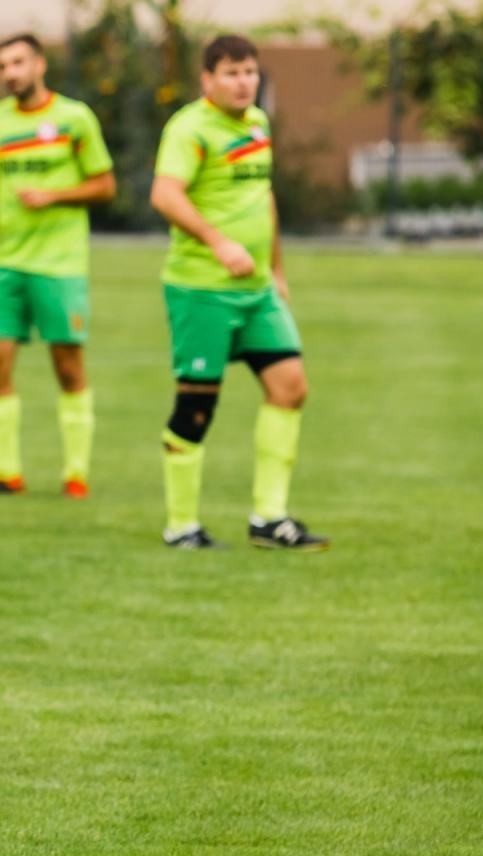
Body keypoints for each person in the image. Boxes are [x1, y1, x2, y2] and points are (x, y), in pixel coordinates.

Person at [148, 35, 329, 550]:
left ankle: (268, 520)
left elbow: (261, 197)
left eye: (249, 71)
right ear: (207, 79)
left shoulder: (256, 123)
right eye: (230, 72)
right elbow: (164, 194)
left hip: (256, 292)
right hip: (202, 289)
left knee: (290, 387)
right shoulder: (190, 127)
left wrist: (276, 267)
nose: (243, 81)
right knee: (196, 408)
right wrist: (218, 241)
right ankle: (181, 526)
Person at [0, 33, 115, 499]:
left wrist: (54, 195)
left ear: (40, 64)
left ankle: (76, 474)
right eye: (3, 65)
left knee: (68, 367)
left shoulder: (74, 118)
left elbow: (105, 185)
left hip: (59, 264)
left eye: (18, 62)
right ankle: (6, 473)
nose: (10, 72)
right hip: (7, 260)